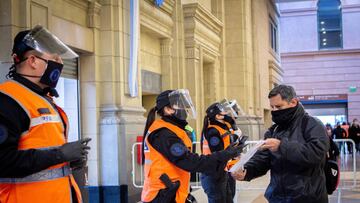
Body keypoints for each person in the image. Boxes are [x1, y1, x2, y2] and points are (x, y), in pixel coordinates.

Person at [0, 25, 91, 203]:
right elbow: (3, 160)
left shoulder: (44, 99)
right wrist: (60, 155)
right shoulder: (8, 101)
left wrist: (68, 161)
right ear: (33, 61)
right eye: (55, 57)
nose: (61, 62)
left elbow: (42, 153)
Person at [141, 89, 246, 203]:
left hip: (172, 191)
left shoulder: (171, 129)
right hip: (162, 194)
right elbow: (190, 161)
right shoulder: (163, 133)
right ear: (168, 109)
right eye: (180, 105)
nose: (185, 109)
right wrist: (226, 154)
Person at [231, 84, 329, 203]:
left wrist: (281, 146)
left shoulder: (312, 124)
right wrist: (246, 171)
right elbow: (263, 158)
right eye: (272, 107)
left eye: (278, 106)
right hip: (277, 197)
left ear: (293, 102)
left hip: (307, 197)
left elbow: (316, 154)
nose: (274, 111)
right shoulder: (274, 130)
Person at [200, 102, 246, 203]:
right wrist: (234, 141)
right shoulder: (212, 131)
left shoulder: (221, 127)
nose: (227, 114)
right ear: (217, 116)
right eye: (224, 112)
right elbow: (218, 153)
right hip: (213, 174)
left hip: (221, 171)